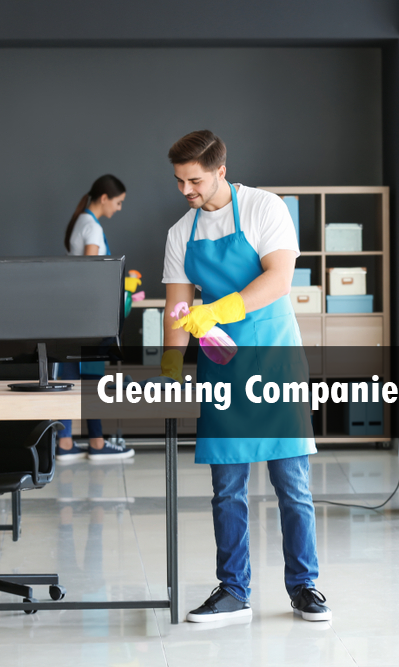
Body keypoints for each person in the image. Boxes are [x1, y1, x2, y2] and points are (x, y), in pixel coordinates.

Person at [159, 130, 330, 623]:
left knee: (291, 484)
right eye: (178, 181)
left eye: (194, 180)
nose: (186, 190)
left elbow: (279, 278)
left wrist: (218, 310)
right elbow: (176, 306)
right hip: (222, 366)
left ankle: (305, 586)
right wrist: (170, 370)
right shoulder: (179, 234)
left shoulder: (264, 208)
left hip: (274, 356)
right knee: (227, 487)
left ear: (220, 171)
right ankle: (233, 589)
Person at [56, 174, 135, 463]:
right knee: (92, 378)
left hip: (72, 314)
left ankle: (65, 442)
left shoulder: (80, 223)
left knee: (68, 376)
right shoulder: (92, 227)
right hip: (88, 315)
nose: (119, 208)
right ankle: (97, 443)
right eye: (118, 202)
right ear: (104, 199)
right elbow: (90, 271)